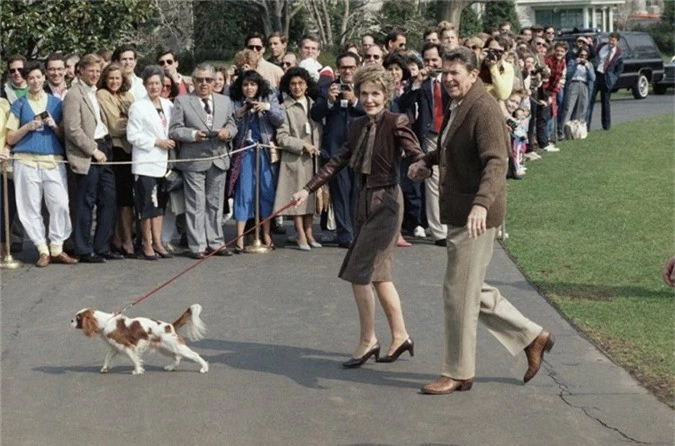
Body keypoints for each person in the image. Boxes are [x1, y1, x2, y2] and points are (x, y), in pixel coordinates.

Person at [408, 47, 554, 395]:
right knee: (470, 287)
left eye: (456, 72)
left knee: (458, 292)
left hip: (476, 215)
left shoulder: (484, 109)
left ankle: (457, 372)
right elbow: (451, 146)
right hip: (463, 210)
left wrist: (480, 206)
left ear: (474, 75)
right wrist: (427, 161)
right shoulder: (463, 104)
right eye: (445, 72)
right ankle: (533, 337)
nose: (448, 78)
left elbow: (496, 162)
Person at [293, 65, 423, 368]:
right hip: (362, 199)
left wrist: (419, 164)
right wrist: (306, 189)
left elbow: (414, 150)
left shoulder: (396, 120)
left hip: (388, 200)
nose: (369, 99)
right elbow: (337, 160)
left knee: (359, 271)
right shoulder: (356, 125)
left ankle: (368, 340)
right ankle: (400, 335)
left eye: (376, 93)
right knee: (378, 275)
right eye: (364, 93)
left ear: (386, 94)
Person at [4, 61, 77, 267]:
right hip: (26, 160)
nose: (35, 81)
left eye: (38, 77)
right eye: (31, 78)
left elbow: (65, 135)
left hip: (52, 160)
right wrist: (27, 126)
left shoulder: (56, 103)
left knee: (60, 204)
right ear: (26, 81)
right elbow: (10, 138)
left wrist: (54, 126)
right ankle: (42, 249)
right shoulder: (19, 104)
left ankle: (57, 246)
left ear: (43, 77)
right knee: (30, 206)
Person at [169, 63, 237, 259]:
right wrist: (192, 134)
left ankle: (216, 242)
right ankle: (197, 245)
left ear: (215, 81)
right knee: (196, 204)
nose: (204, 84)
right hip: (194, 160)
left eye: (209, 80)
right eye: (200, 80)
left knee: (215, 204)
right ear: (194, 81)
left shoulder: (224, 101)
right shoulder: (182, 101)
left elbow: (232, 123)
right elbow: (174, 129)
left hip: (218, 159)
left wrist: (228, 132)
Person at [64, 53, 122, 263]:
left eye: (98, 71)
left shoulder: (95, 92)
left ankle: (102, 245)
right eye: (91, 71)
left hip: (105, 145)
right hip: (88, 152)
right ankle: (83, 248)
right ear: (80, 71)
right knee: (86, 201)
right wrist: (93, 150)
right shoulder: (73, 94)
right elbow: (72, 129)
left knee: (108, 198)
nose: (95, 75)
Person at [310, 51, 365, 248]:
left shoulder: (365, 88)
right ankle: (345, 234)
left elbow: (375, 111)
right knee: (341, 192)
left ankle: (359, 232)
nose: (348, 71)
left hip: (361, 148)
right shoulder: (327, 88)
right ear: (337, 69)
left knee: (359, 193)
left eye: (351, 67)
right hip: (335, 149)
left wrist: (355, 101)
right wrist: (330, 102)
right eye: (344, 67)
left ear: (358, 67)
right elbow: (315, 113)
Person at [398, 42, 449, 246]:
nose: (430, 64)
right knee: (433, 182)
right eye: (426, 60)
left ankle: (454, 223)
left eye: (434, 60)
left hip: (450, 133)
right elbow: (403, 104)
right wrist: (417, 83)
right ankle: (439, 232)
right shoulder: (419, 83)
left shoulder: (449, 79)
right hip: (429, 135)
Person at [227, 70, 284, 252]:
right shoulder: (235, 101)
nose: (249, 88)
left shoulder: (270, 97)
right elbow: (231, 127)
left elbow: (279, 119)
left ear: (258, 85)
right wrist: (240, 113)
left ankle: (266, 233)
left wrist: (265, 108)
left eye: (252, 84)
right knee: (244, 192)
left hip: (265, 151)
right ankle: (240, 237)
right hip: (245, 151)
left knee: (266, 191)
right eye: (245, 85)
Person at [127, 65, 175, 260]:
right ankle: (146, 243)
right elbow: (132, 135)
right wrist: (157, 142)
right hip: (145, 162)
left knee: (160, 206)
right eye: (150, 84)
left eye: (157, 83)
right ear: (145, 85)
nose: (154, 87)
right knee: (146, 206)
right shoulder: (138, 106)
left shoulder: (169, 105)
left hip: (163, 164)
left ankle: (158, 242)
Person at [274, 67, 323, 251]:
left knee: (310, 196)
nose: (297, 87)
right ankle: (299, 232)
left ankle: (309, 232)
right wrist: (302, 145)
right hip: (295, 158)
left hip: (313, 157)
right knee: (297, 197)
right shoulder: (284, 107)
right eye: (293, 84)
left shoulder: (314, 104)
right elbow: (282, 137)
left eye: (301, 83)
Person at [96, 62, 135, 257]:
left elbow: (138, 118)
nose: (114, 81)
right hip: (115, 150)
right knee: (118, 197)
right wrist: (133, 122)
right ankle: (121, 239)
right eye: (111, 78)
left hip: (131, 151)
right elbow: (114, 126)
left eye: (117, 78)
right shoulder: (102, 95)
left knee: (127, 198)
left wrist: (129, 119)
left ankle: (123, 237)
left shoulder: (128, 95)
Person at [587, 32, 624, 131]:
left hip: (606, 78)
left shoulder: (619, 53)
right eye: (610, 39)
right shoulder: (602, 47)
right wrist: (590, 44)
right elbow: (593, 54)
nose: (610, 42)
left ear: (617, 42)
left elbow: (619, 69)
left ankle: (606, 126)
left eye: (613, 40)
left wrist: (613, 78)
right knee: (590, 100)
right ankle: (587, 125)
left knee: (605, 102)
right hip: (596, 75)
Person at [561, 46, 594, 131]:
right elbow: (568, 75)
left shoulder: (589, 64)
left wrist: (588, 68)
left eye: (585, 55)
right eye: (581, 55)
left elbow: (593, 78)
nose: (583, 57)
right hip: (574, 83)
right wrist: (576, 64)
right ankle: (563, 130)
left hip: (584, 85)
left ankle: (577, 130)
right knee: (569, 107)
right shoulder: (572, 62)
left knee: (582, 108)